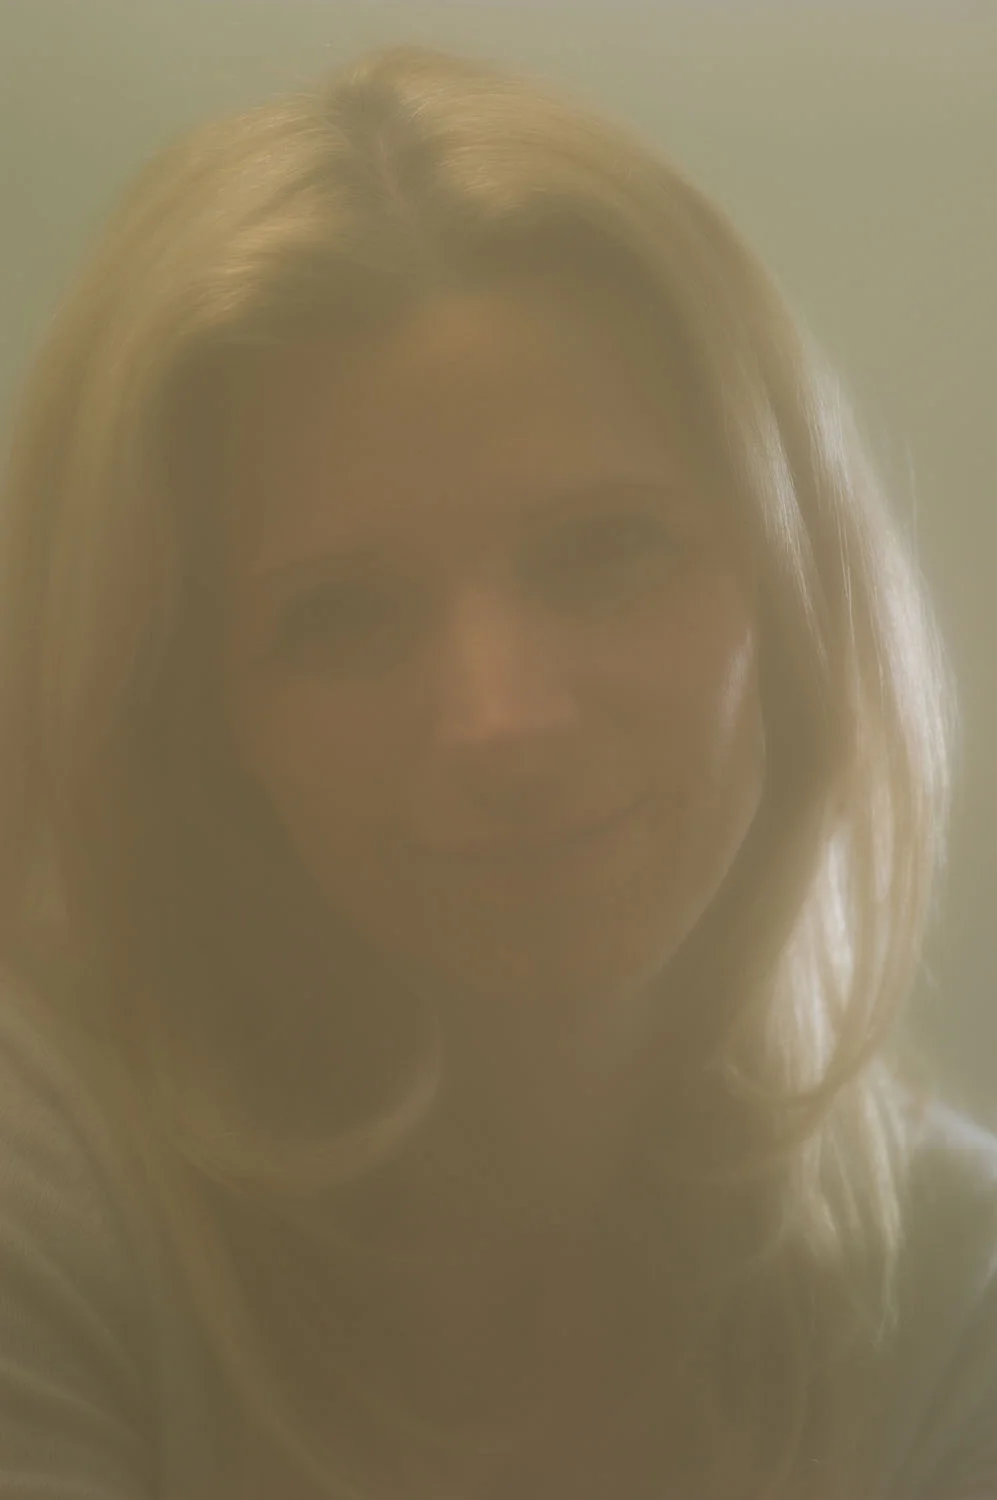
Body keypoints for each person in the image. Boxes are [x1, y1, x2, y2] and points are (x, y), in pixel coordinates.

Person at [0, 42, 994, 1500]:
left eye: (608, 549)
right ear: (191, 727)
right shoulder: (44, 1183)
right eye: (342, 617)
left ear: (798, 597)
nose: (504, 719)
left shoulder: (950, 1284)